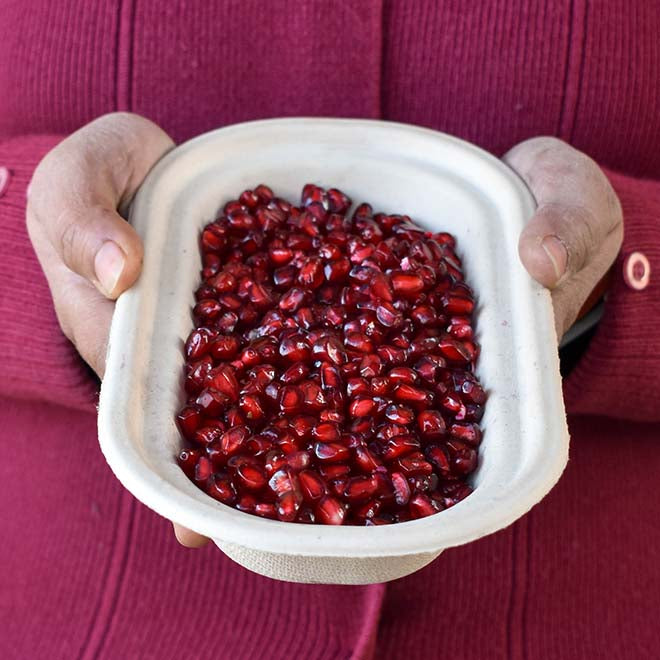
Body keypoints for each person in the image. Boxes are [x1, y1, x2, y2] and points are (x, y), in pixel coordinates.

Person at [1, 2, 658, 658]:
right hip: (99, 609)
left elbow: (610, 260)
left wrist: (627, 267)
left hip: (576, 605)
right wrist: (33, 233)